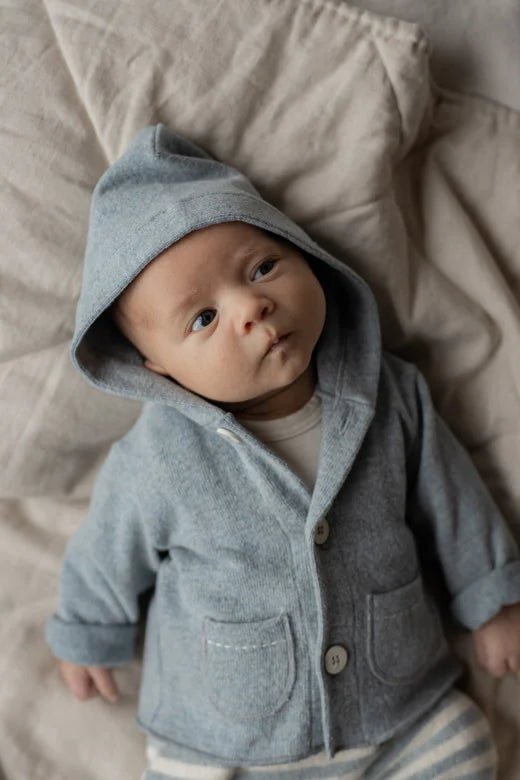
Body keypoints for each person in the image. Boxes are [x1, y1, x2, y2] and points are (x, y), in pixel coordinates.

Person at [46, 124, 520, 780]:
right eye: (204, 318)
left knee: (466, 748)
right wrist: (85, 632)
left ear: (303, 252)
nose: (252, 306)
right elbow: (106, 551)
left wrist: (491, 599)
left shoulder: (389, 394)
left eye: (262, 267)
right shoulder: (159, 455)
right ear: (158, 370)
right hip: (226, 738)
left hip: (395, 709)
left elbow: (454, 500)